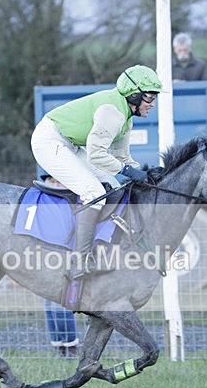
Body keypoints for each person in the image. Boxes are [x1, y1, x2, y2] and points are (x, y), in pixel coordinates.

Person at [30, 64, 162, 278]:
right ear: (134, 95)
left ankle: (103, 247)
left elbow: (122, 157)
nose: (152, 103)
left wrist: (146, 174)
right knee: (94, 193)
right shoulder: (112, 112)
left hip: (70, 143)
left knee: (115, 186)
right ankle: (79, 261)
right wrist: (128, 170)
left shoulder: (126, 118)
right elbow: (96, 155)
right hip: (49, 141)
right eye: (149, 97)